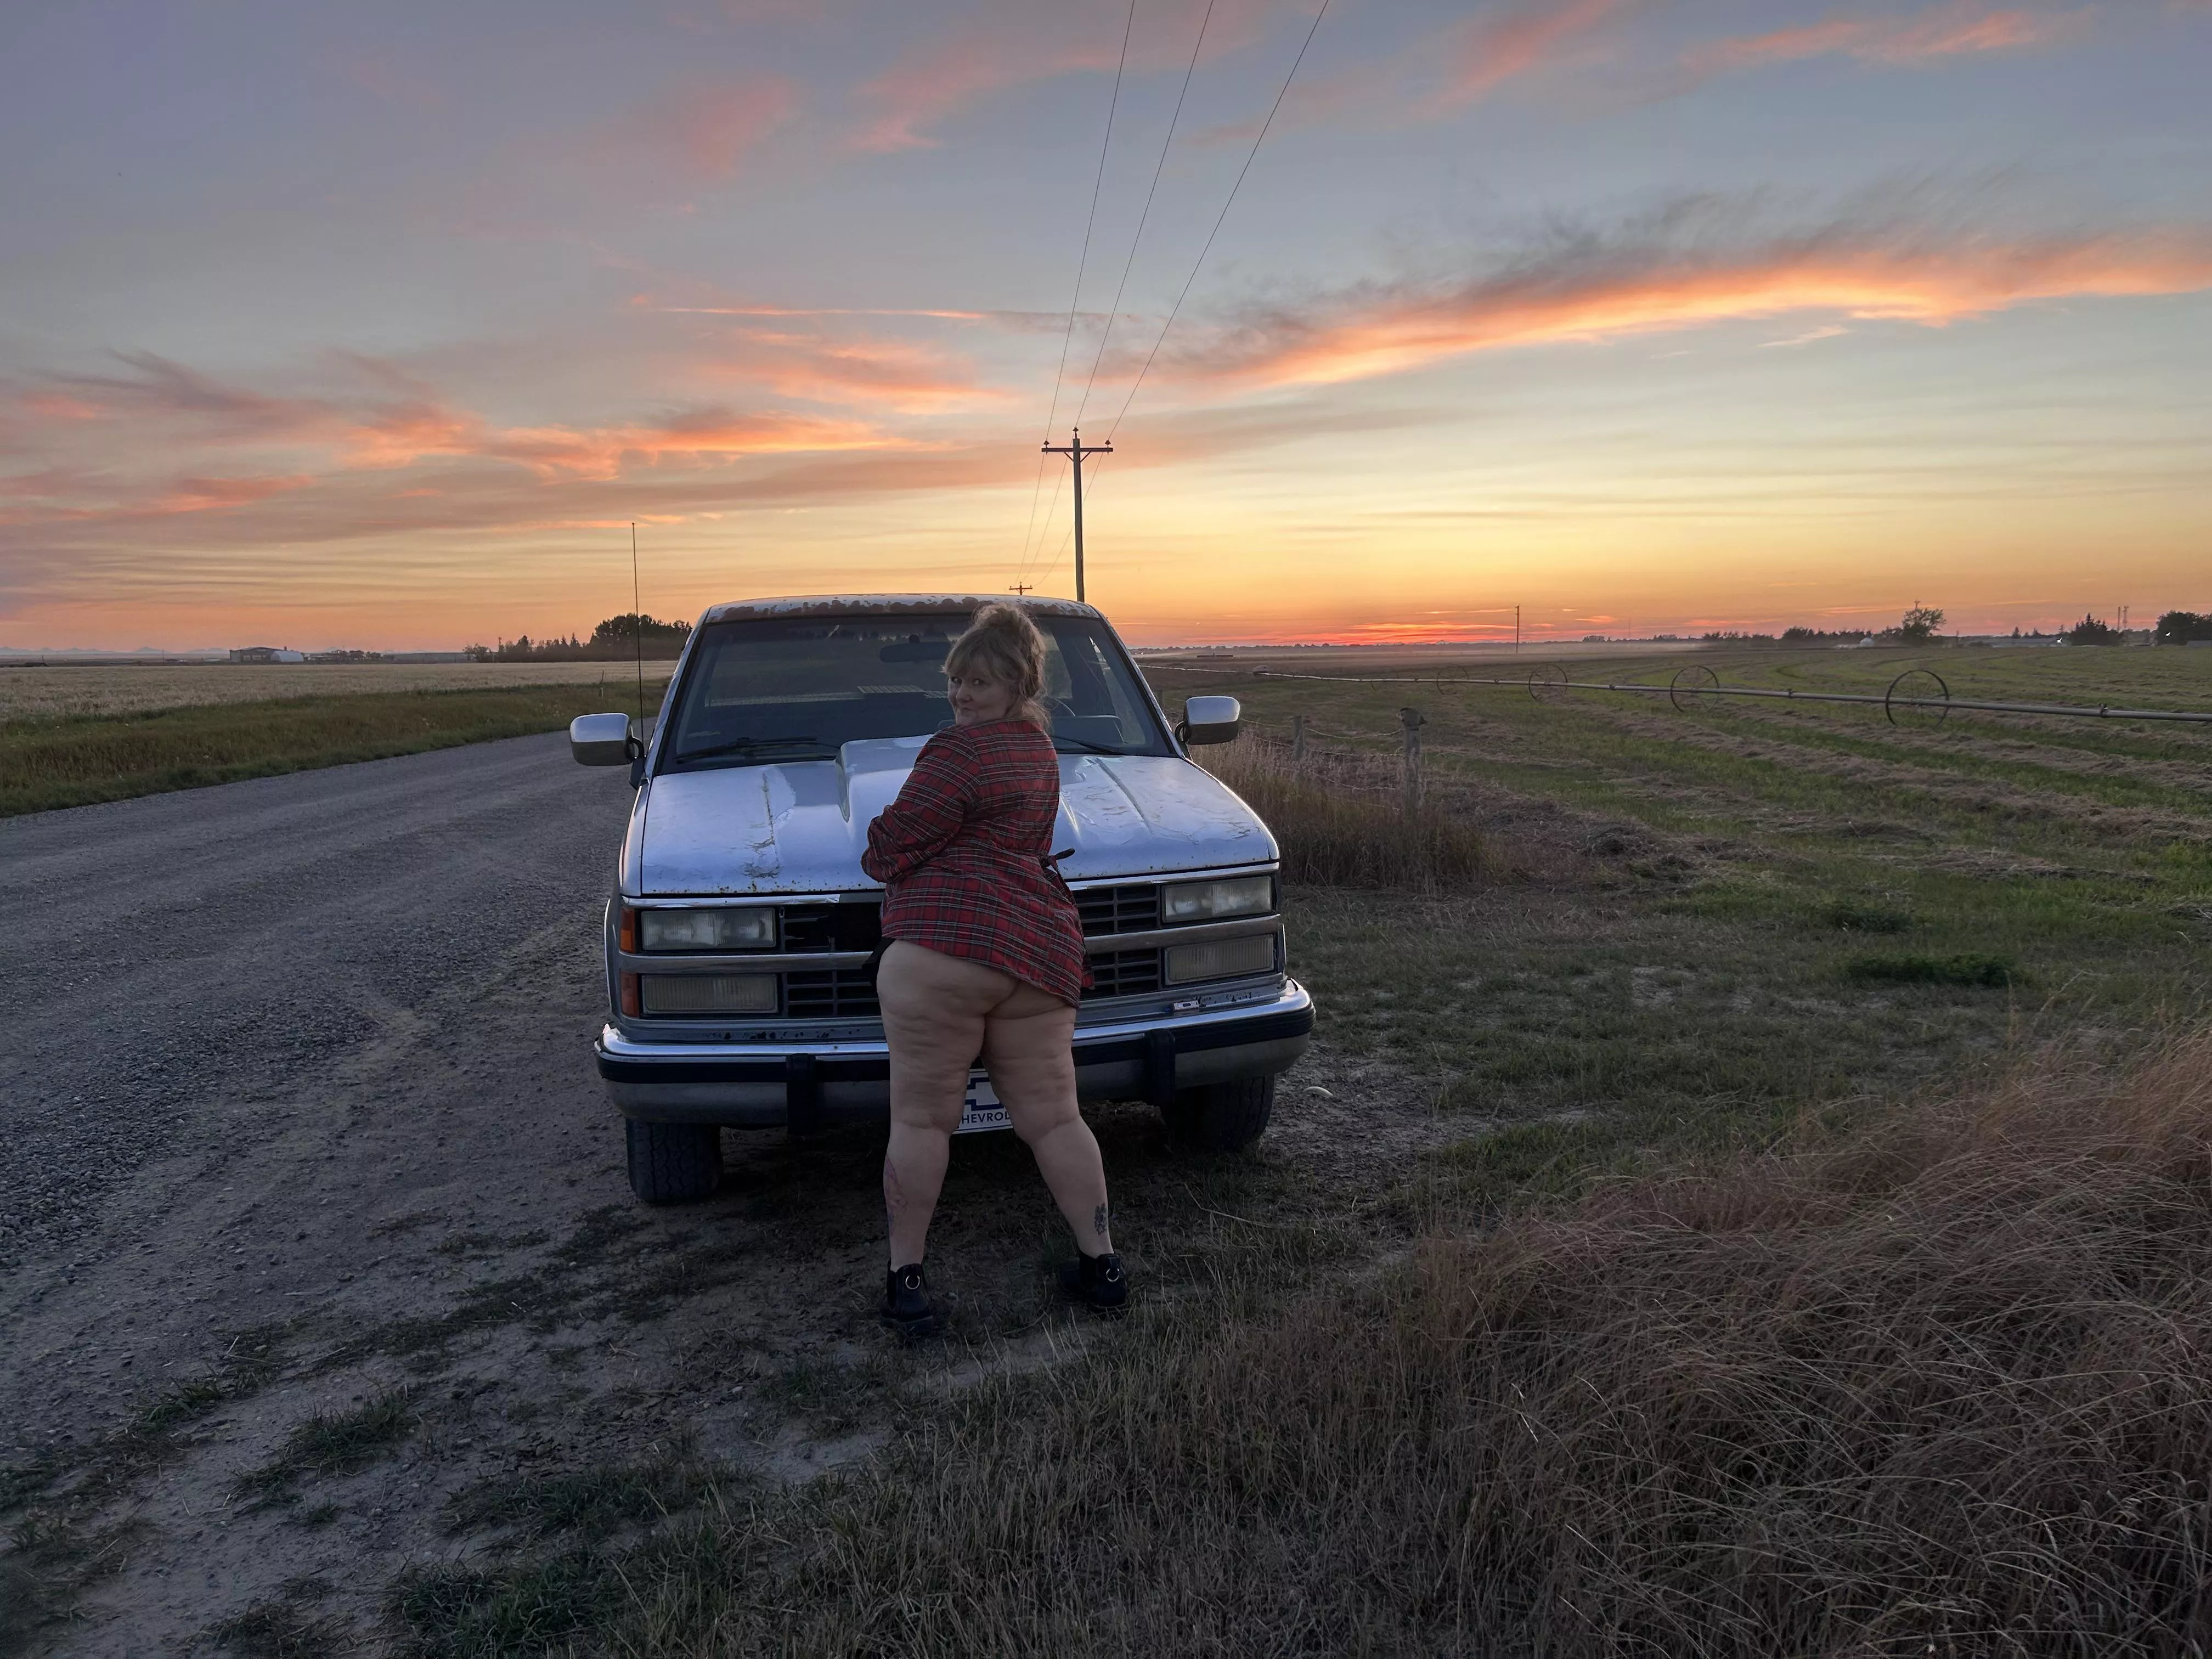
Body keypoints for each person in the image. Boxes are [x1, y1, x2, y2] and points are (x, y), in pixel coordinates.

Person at [859, 603, 1126, 1336]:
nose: (962, 696)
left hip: (943, 950)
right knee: (1055, 1116)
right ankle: (1101, 1264)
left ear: (1016, 684)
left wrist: (889, 852)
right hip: (1036, 952)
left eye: (979, 682)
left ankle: (906, 1284)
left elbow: (891, 845)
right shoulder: (1040, 748)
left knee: (921, 1119)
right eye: (957, 682)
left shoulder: (958, 752)